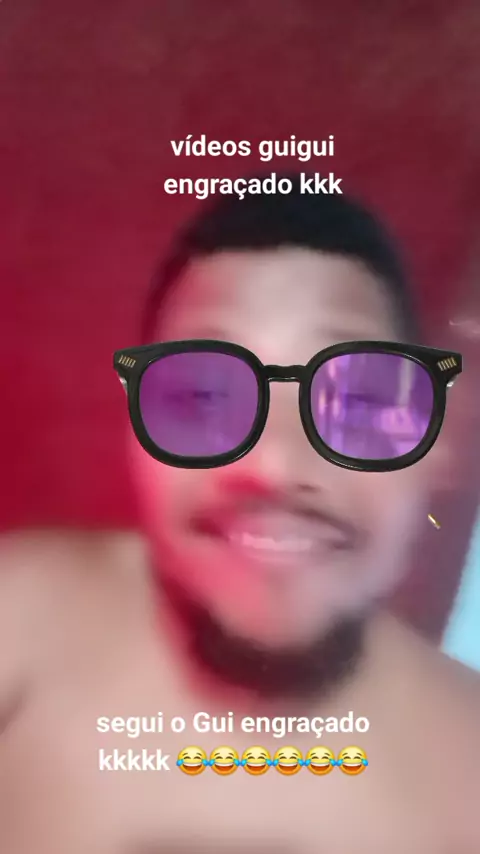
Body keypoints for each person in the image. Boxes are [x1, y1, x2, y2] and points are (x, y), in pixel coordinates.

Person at [0, 177, 479, 854]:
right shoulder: (18, 617)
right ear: (135, 435)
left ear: (433, 445)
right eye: (203, 395)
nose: (275, 464)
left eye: (358, 400)